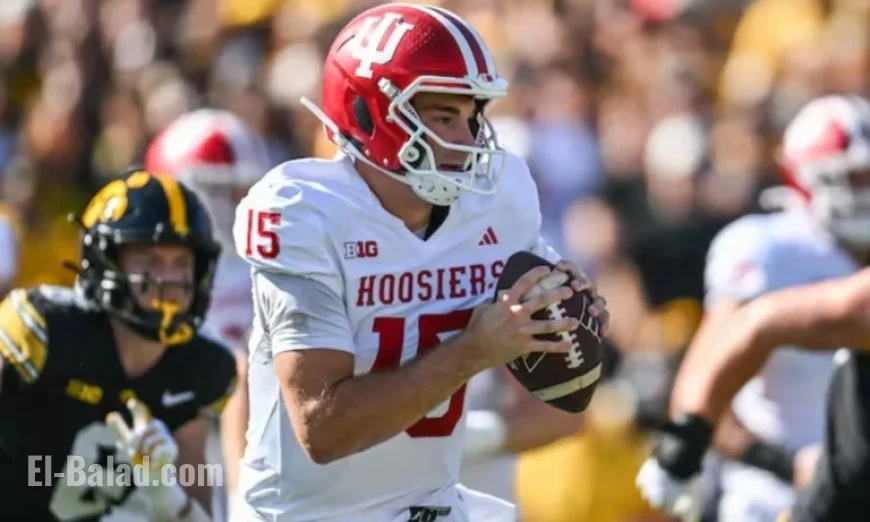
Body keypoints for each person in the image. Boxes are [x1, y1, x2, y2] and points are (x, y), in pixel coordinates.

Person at [231, 3, 610, 522]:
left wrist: (564, 316)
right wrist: (472, 352)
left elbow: (557, 373)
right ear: (369, 113)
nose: (469, 140)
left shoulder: (497, 199)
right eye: (442, 116)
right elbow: (322, 429)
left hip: (432, 504)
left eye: (473, 116)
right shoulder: (304, 212)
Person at [636, 94, 870, 521]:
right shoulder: (768, 249)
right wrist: (782, 462)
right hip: (770, 501)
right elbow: (706, 376)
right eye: (852, 178)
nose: (864, 192)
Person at [0, 168, 237, 522]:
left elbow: (199, 508)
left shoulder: (202, 365)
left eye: (181, 262)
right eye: (150, 260)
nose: (167, 280)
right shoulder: (41, 329)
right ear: (106, 258)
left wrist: (166, 497)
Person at [144, 108, 273, 521]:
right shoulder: (153, 271)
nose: (230, 206)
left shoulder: (264, 260)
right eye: (215, 192)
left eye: (239, 191)